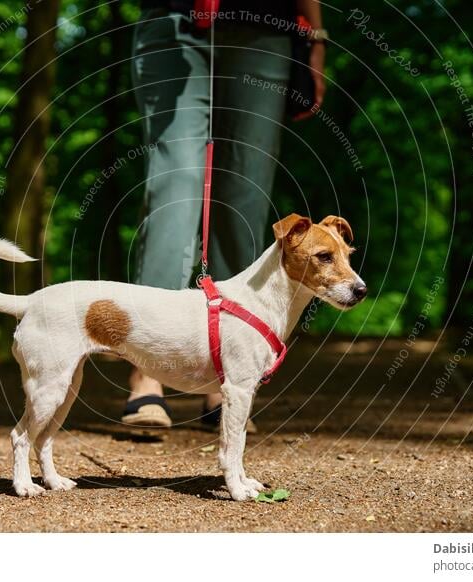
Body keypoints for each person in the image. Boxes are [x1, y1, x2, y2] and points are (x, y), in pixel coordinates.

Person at [123, 0, 327, 430]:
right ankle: (146, 371)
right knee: (175, 187)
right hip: (176, 20)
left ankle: (223, 373)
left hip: (265, 27)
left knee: (245, 199)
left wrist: (316, 36)